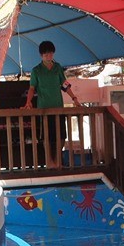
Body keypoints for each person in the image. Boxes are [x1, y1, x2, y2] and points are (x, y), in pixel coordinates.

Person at [25, 40, 80, 168]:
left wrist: (75, 99)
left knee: (61, 135)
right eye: (45, 55)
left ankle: (58, 160)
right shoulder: (36, 70)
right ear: (41, 56)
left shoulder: (58, 68)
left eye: (50, 54)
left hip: (58, 107)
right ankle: (50, 161)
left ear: (53, 54)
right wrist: (28, 101)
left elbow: (65, 85)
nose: (48, 57)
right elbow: (32, 88)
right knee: (46, 136)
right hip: (43, 108)